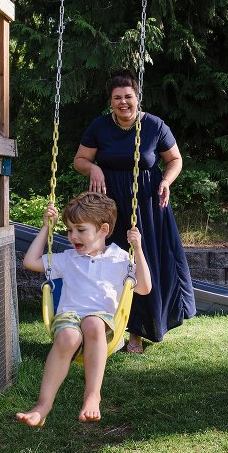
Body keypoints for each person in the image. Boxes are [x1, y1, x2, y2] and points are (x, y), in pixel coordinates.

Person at [74, 68, 195, 353]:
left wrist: (166, 180)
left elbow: (175, 159)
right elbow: (79, 159)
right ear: (110, 101)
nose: (123, 102)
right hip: (109, 206)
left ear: (138, 98)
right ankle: (103, 326)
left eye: (128, 96)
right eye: (117, 98)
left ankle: (138, 332)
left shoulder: (154, 126)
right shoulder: (100, 126)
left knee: (142, 263)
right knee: (109, 263)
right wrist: (93, 168)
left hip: (148, 206)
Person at [15, 192, 151, 424]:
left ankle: (92, 396)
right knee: (68, 336)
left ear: (103, 230)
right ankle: (42, 406)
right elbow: (30, 262)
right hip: (68, 319)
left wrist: (137, 249)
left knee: (92, 322)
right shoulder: (67, 259)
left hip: (103, 324)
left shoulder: (119, 258)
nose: (72, 236)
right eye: (69, 230)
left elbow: (145, 288)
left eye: (80, 230)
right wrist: (46, 228)